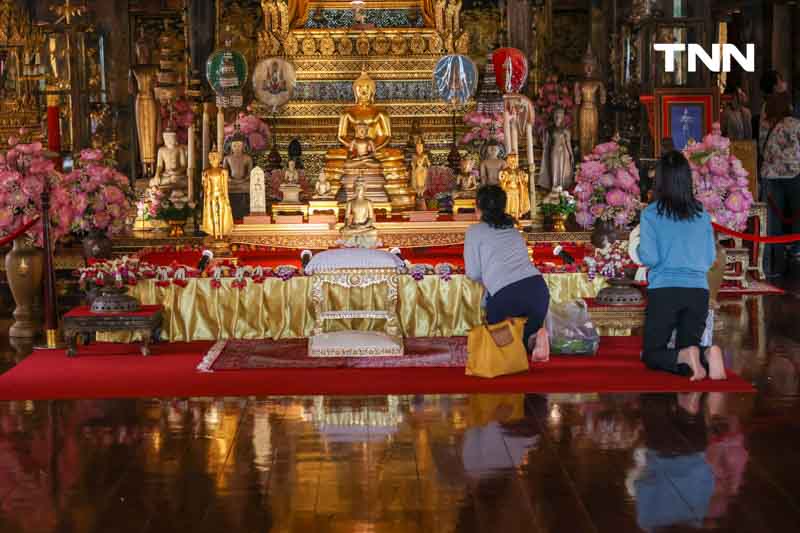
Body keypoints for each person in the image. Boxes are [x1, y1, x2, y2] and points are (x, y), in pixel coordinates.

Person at [638, 151, 726, 381]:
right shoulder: (701, 214)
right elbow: (709, 258)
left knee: (652, 354)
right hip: (698, 292)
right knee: (690, 347)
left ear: (659, 180)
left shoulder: (651, 214)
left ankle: (694, 357)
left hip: (665, 291)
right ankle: (708, 354)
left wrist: (639, 251)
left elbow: (650, 257)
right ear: (688, 179)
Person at [464, 185, 550, 361]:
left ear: (478, 207)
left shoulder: (474, 231)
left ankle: (517, 348)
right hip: (538, 290)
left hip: (506, 295)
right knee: (525, 337)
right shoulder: (513, 231)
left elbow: (472, 272)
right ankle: (535, 338)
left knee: (501, 347)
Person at [759, 91, 800, 275]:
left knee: (771, 223)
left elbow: (762, 149)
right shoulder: (795, 124)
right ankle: (795, 249)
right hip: (794, 175)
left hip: (770, 176)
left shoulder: (767, 124)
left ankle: (770, 265)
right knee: (797, 216)